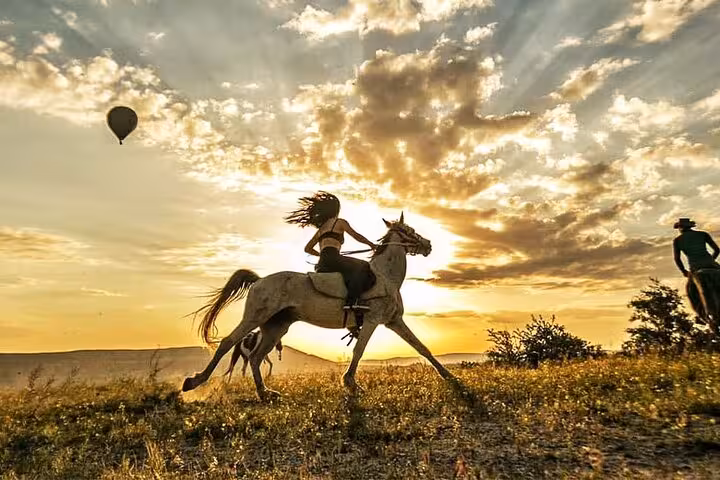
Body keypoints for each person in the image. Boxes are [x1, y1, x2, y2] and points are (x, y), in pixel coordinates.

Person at [285, 191, 378, 312]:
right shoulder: (339, 222)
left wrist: (321, 254)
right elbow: (356, 235)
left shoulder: (321, 229)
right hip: (334, 259)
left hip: (322, 263)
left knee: (349, 271)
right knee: (364, 266)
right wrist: (371, 244)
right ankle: (352, 302)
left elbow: (307, 249)